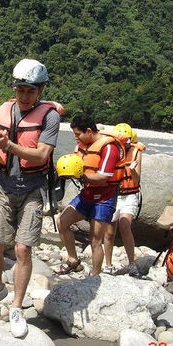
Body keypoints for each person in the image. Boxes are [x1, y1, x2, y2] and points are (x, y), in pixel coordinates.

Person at [0, 58, 61, 338]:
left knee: (24, 249)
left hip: (33, 188)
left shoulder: (50, 116)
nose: (24, 96)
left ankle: (16, 307)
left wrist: (10, 145)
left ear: (41, 89)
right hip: (4, 184)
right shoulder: (2, 111)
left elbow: (41, 155)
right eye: (20, 90)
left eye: (30, 91)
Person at [54, 115, 126, 277]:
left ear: (88, 131)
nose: (76, 137)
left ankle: (95, 276)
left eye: (78, 134)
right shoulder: (82, 145)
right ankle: (73, 261)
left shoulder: (109, 148)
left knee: (95, 240)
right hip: (86, 194)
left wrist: (80, 176)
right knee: (62, 221)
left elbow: (103, 178)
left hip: (104, 198)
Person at [103, 123, 145, 276]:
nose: (123, 144)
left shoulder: (136, 152)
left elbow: (137, 179)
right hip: (113, 194)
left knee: (124, 225)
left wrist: (132, 169)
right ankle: (107, 265)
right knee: (108, 232)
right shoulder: (110, 150)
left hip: (130, 195)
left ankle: (131, 263)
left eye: (126, 141)